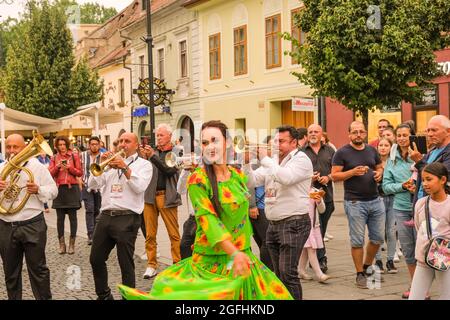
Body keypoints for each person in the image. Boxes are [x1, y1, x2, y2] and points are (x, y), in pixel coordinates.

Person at [118, 120, 292, 300]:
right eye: (205, 142)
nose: (210, 147)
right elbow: (208, 220)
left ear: (228, 142)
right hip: (212, 264)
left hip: (243, 259)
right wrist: (234, 252)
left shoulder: (237, 176)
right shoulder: (198, 179)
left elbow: (244, 214)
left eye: (215, 140)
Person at [250, 125, 313, 300]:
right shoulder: (274, 161)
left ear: (294, 142)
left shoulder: (301, 159)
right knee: (277, 274)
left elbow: (286, 177)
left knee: (288, 274)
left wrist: (264, 158)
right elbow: (253, 180)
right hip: (274, 224)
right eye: (276, 141)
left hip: (294, 222)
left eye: (281, 141)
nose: (277, 145)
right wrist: (246, 163)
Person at [88, 132, 152, 300]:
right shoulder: (109, 165)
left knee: (125, 263)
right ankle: (104, 295)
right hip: (105, 216)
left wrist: (124, 167)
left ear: (136, 145)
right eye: (121, 141)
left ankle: (128, 297)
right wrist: (102, 165)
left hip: (127, 217)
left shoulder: (144, 165)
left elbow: (139, 187)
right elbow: (92, 184)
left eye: (127, 141)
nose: (122, 144)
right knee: (95, 259)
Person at [0, 134, 58, 300]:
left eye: (15, 147)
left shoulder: (37, 167)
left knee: (38, 271)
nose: (11, 151)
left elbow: (54, 191)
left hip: (32, 224)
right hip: (6, 225)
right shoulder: (1, 168)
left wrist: (38, 189)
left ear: (24, 147)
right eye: (8, 147)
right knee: (10, 272)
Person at [331, 121, 385, 289]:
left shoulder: (371, 150)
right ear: (349, 134)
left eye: (361, 131)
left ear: (366, 133)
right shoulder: (342, 152)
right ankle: (359, 274)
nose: (358, 134)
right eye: (355, 132)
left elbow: (380, 166)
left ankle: (368, 267)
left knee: (377, 238)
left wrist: (379, 174)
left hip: (375, 200)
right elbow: (334, 176)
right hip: (355, 202)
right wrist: (352, 172)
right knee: (357, 240)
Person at [140, 123, 182, 279]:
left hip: (167, 196)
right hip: (150, 196)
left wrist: (152, 157)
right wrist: (144, 158)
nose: (158, 138)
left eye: (161, 135)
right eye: (157, 135)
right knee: (150, 234)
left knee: (173, 234)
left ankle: (177, 264)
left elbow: (169, 170)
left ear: (170, 136)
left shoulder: (177, 152)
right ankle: (151, 265)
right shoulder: (154, 152)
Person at [409, 162, 450, 300]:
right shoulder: (421, 203)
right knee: (415, 297)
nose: (425, 183)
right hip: (423, 258)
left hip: (445, 260)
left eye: (429, 179)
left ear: (443, 180)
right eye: (423, 179)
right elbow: (418, 226)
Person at [303, 124, 335, 274]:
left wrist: (327, 178)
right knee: (317, 228)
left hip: (326, 196)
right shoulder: (301, 152)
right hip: (308, 199)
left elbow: (336, 172)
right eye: (310, 132)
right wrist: (310, 178)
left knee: (321, 229)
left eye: (316, 131)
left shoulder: (330, 150)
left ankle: (313, 258)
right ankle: (321, 260)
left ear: (322, 134)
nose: (313, 134)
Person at [49, 136, 83, 255]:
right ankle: (62, 245)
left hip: (72, 189)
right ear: (57, 146)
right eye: (60, 145)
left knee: (73, 219)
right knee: (60, 219)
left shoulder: (74, 156)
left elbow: (80, 172)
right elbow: (50, 173)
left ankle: (72, 244)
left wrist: (70, 168)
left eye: (64, 144)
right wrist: (58, 167)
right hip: (60, 190)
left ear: (67, 145)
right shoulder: (54, 158)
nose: (62, 147)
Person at [410, 115, 450, 205]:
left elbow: (441, 178)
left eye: (434, 130)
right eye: (428, 130)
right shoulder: (432, 150)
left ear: (448, 131)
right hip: (422, 204)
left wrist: (419, 161)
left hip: (439, 207)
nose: (430, 134)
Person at [374, 138, 398, 274]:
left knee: (391, 231)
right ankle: (377, 260)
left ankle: (390, 261)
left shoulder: (394, 162)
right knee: (377, 231)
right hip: (378, 199)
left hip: (393, 198)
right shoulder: (374, 163)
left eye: (386, 145)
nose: (383, 148)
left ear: (391, 147)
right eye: (380, 145)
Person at [298, 188, 330, 283]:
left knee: (305, 249)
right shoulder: (297, 191)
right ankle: (319, 274)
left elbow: (322, 210)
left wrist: (319, 201)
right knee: (312, 248)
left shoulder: (315, 191)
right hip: (302, 225)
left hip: (313, 226)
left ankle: (301, 270)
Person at [80, 136, 102, 245]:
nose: (94, 146)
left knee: (97, 210)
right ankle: (90, 235)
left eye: (96, 144)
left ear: (99, 145)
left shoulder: (102, 156)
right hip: (86, 185)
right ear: (89, 145)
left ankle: (96, 233)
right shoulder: (83, 155)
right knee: (90, 210)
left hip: (98, 187)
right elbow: (78, 168)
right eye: (92, 144)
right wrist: (79, 179)